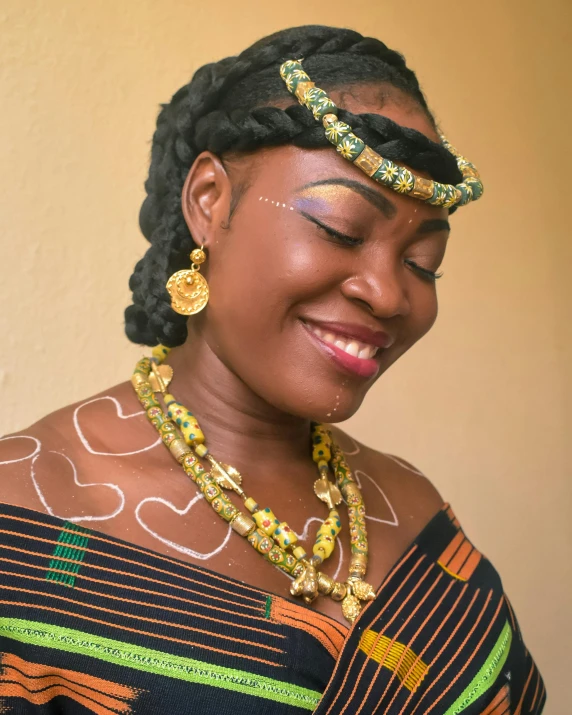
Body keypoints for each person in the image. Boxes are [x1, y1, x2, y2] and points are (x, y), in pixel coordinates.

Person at [0, 24, 545, 715]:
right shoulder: (26, 520)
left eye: (422, 263)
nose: (389, 293)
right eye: (341, 229)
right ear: (208, 201)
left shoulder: (414, 508)